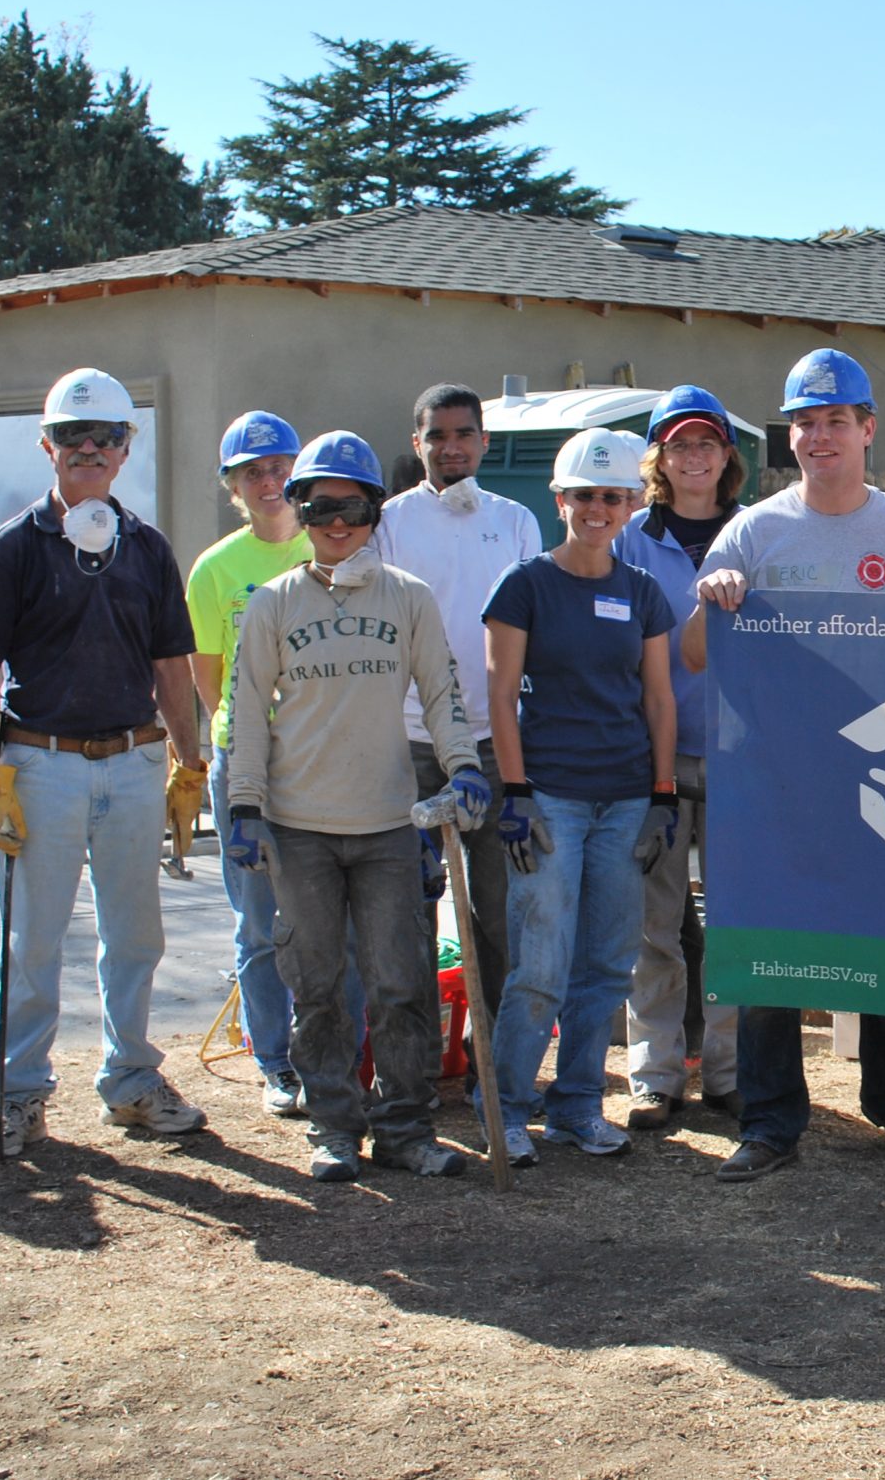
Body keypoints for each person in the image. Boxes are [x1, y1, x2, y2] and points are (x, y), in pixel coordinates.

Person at [682, 346, 885, 1184]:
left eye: (836, 419)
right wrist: (713, 601)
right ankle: (770, 1121)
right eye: (804, 422)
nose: (819, 436)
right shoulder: (753, 532)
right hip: (776, 783)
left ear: (868, 429)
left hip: (881, 775)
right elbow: (692, 655)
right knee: (771, 942)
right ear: (788, 436)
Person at [224, 431, 491, 1182]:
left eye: (353, 508)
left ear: (376, 512)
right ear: (299, 511)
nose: (337, 524)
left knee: (401, 984)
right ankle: (334, 1128)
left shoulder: (408, 597)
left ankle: (404, 1128)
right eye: (320, 508)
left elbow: (441, 694)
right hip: (298, 826)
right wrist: (244, 806)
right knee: (317, 989)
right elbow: (247, 712)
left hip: (388, 826)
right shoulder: (273, 603)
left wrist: (463, 765)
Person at [0, 366, 206, 1157]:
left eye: (106, 436)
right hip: (42, 766)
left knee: (135, 940)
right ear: (48, 446)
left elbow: (171, 665)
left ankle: (131, 1081)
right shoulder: (13, 548)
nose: (90, 448)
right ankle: (18, 1094)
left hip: (133, 763)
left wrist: (189, 764)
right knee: (31, 944)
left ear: (126, 448)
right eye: (74, 434)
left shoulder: (148, 549)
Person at [484, 428, 680, 1167]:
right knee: (540, 966)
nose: (598, 509)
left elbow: (658, 700)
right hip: (550, 801)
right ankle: (507, 1109)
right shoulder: (524, 586)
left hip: (625, 801)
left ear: (632, 505)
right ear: (559, 500)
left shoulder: (642, 592)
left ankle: (575, 1108)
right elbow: (501, 697)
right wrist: (515, 791)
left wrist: (662, 795)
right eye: (584, 496)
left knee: (605, 966)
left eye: (613, 497)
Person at [373, 383, 541, 1072]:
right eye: (437, 436)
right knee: (408, 912)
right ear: (417, 444)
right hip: (411, 742)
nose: (451, 447)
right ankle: (412, 1064)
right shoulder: (389, 523)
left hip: (495, 742)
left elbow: (532, 632)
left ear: (484, 441)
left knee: (497, 914)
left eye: (464, 434)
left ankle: (493, 1064)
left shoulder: (515, 521)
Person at [612, 386, 746, 1128]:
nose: (694, 457)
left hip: (738, 756)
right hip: (652, 755)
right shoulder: (630, 538)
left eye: (707, 444)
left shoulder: (756, 531)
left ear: (727, 456)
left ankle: (728, 1072)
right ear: (658, 460)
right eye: (679, 445)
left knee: (732, 920)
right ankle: (656, 1074)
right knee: (654, 926)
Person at [185, 410, 324, 1120]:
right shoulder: (215, 569)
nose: (269, 483)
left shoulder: (329, 545)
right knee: (260, 923)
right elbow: (208, 678)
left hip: (323, 758)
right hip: (246, 765)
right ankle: (274, 1060)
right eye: (253, 473)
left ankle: (327, 1051)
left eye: (279, 469)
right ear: (232, 487)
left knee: (325, 917)